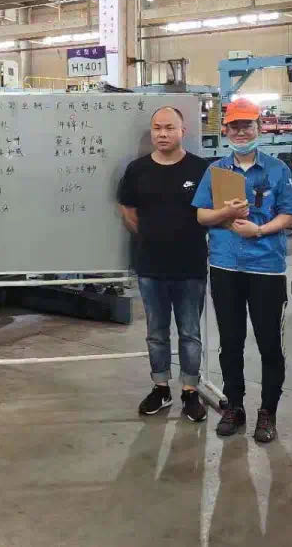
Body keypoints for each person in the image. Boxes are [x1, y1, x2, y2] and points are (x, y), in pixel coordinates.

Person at [193, 99, 292, 443]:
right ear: (226, 130)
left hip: (265, 268)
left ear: (259, 128)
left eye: (247, 126)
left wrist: (259, 230)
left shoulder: (277, 170)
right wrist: (225, 213)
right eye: (235, 127)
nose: (241, 133)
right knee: (231, 341)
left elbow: (289, 214)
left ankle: (268, 411)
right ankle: (235, 406)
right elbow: (201, 216)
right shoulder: (216, 172)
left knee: (270, 343)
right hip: (225, 266)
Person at [117, 106, 210, 422]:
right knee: (156, 333)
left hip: (190, 267)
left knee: (190, 333)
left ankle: (190, 391)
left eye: (169, 128)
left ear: (183, 131)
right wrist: (153, 239)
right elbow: (128, 211)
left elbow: (212, 211)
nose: (163, 134)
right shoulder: (137, 170)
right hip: (150, 268)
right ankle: (161, 388)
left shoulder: (201, 169)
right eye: (157, 128)